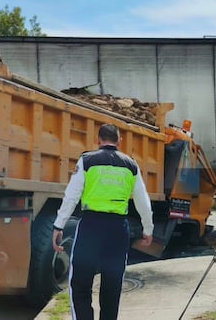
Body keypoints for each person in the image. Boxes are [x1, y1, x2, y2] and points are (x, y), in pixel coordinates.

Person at [52, 124, 154, 320]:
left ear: (98, 140)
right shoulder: (131, 165)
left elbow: (71, 196)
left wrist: (59, 225)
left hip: (91, 226)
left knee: (80, 284)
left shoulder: (87, 160)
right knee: (112, 285)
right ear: (119, 141)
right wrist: (147, 228)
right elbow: (143, 201)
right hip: (118, 230)